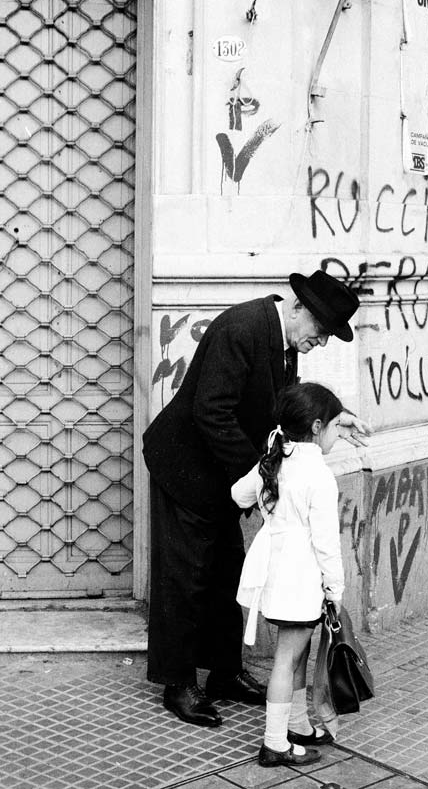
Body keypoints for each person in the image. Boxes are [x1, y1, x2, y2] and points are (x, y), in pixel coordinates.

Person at [142, 270, 369, 728]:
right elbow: (212, 411)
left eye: (328, 335)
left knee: (226, 570)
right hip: (184, 470)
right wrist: (263, 475)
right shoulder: (243, 328)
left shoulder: (284, 342)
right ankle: (178, 682)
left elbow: (281, 410)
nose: (321, 342)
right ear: (299, 308)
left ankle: (224, 674)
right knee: (183, 577)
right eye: (321, 330)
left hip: (221, 478)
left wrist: (332, 415)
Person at [231, 382, 345, 768]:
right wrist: (335, 589)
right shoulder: (319, 475)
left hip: (275, 570)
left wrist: (271, 511)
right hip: (301, 577)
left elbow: (238, 495)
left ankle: (296, 725)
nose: (337, 435)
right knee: (286, 658)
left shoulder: (276, 461)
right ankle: (275, 743)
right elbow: (327, 544)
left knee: (297, 654)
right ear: (316, 427)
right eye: (336, 426)